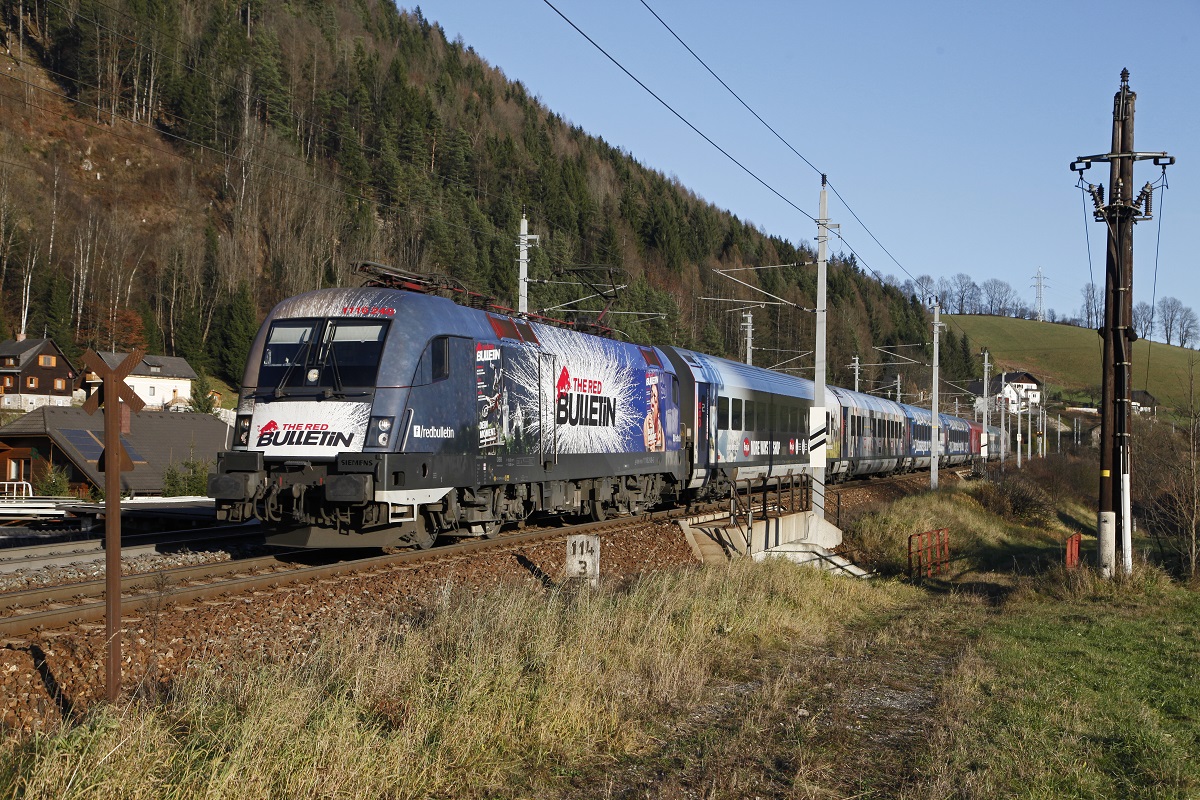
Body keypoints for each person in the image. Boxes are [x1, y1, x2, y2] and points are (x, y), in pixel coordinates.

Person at [643, 380, 664, 451]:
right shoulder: (647, 420)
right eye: (652, 396)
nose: (653, 400)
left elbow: (662, 450)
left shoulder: (660, 424)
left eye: (655, 397)